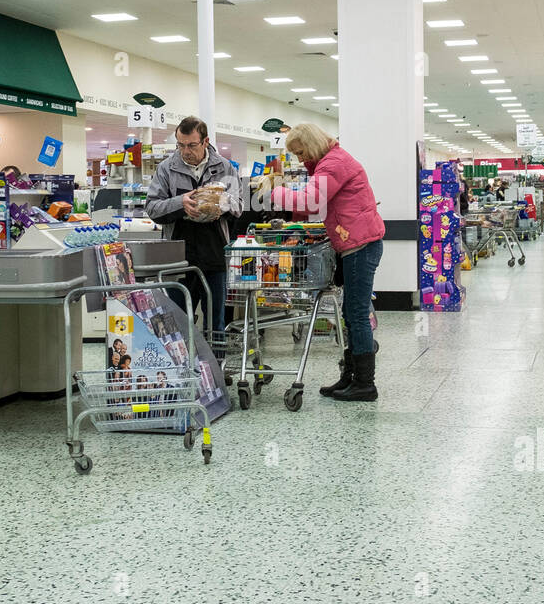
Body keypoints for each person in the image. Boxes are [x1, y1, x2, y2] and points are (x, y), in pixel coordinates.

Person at [267, 123, 385, 401]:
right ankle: (351, 377)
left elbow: (311, 201)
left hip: (360, 244)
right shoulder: (333, 160)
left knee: (356, 315)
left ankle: (365, 383)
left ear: (311, 144)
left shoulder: (333, 163)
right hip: (355, 242)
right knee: (350, 314)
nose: (299, 159)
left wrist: (275, 192)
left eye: (300, 152)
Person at [145, 116, 243, 338]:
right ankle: (184, 371)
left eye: (191, 145)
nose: (185, 151)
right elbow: (152, 208)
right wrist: (181, 203)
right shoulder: (166, 169)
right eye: (180, 145)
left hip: (214, 254)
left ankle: (217, 369)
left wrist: (221, 202)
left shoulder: (224, 167)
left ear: (205, 141)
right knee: (178, 319)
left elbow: (239, 206)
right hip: (178, 257)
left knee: (215, 320)